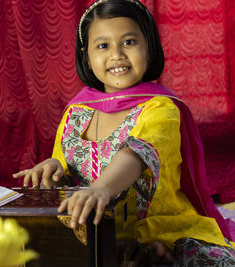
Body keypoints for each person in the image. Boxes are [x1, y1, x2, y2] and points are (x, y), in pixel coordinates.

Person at [14, 0, 235, 265]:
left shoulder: (161, 109)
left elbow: (138, 152)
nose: (117, 54)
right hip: (98, 234)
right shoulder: (76, 112)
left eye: (129, 42)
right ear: (86, 55)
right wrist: (53, 169)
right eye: (103, 45)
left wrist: (101, 190)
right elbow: (67, 171)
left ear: (149, 48)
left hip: (161, 230)